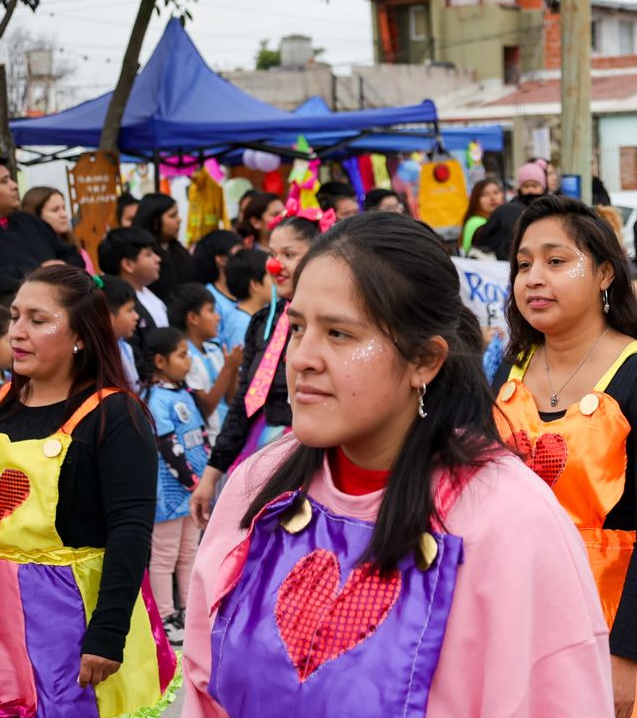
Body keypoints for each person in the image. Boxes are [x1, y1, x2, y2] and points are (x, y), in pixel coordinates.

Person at [182, 212, 613, 716]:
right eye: (297, 328)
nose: (301, 358)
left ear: (425, 360)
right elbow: (203, 685)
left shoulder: (509, 520)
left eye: (339, 333)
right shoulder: (258, 485)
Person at [495, 196, 637, 718]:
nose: (533, 278)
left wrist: (624, 656)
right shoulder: (509, 370)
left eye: (555, 261)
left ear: (603, 274)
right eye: (523, 265)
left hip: (613, 615)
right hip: (517, 611)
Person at [0, 266, 174, 715]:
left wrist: (107, 633)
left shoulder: (115, 415)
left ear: (81, 337)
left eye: (38, 320)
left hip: (71, 615)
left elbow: (130, 530)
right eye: (15, 317)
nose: (18, 332)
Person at [189, 215, 320, 529]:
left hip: (314, 459)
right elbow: (244, 403)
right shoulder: (262, 323)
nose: (275, 265)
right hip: (261, 453)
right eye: (272, 254)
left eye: (289, 254)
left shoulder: (332, 320)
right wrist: (211, 476)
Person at [142, 326, 208, 647]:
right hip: (170, 494)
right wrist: (193, 481)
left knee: (189, 553)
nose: (189, 361)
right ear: (160, 361)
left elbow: (200, 436)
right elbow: (167, 446)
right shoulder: (156, 400)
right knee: (165, 556)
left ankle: (188, 609)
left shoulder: (184, 393)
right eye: (182, 355)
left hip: (193, 491)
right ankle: (165, 616)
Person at [0, 157, 84, 300]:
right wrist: (37, 271)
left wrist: (62, 267)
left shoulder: (30, 221)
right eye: (5, 181)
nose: (14, 185)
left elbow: (71, 254)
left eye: (11, 179)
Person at [169, 283, 241, 442]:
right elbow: (206, 408)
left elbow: (230, 399)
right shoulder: (184, 357)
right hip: (209, 438)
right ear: (193, 318)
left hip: (228, 433)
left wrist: (234, 367)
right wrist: (228, 368)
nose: (218, 317)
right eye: (211, 311)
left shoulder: (214, 349)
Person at [98, 226, 167, 353]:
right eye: (148, 254)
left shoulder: (150, 294)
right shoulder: (116, 303)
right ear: (128, 264)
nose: (158, 259)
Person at [472, 161, 549, 261]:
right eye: (526, 186)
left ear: (543, 187)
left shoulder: (550, 210)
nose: (530, 190)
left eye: (534, 186)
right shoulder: (508, 211)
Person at [134, 193, 194, 301]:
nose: (179, 220)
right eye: (172, 216)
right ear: (155, 221)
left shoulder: (177, 249)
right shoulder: (141, 254)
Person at [21, 185, 95, 274]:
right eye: (55, 210)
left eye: (64, 208)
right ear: (35, 216)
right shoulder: (27, 255)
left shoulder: (77, 249)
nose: (64, 214)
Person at [219, 248, 270, 353]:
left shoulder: (258, 314)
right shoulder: (241, 325)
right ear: (255, 284)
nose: (277, 281)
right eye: (271, 276)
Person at [191, 229, 242, 332]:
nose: (245, 259)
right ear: (221, 260)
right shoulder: (208, 297)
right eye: (239, 254)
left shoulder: (247, 290)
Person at [102, 275, 142, 390]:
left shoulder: (125, 348)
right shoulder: (96, 353)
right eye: (130, 310)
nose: (136, 316)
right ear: (107, 316)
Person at [461, 177, 504, 255]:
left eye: (496, 192)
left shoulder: (497, 220)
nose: (493, 198)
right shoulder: (476, 223)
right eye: (485, 194)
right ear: (476, 200)